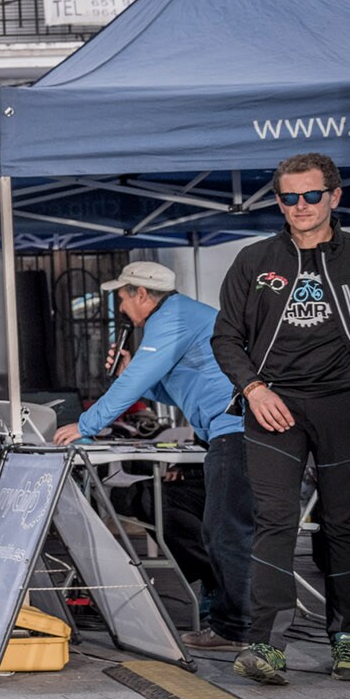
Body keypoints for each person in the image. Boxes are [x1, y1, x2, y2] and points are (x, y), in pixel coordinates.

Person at [210, 152, 350, 684]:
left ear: (334, 196)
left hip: (346, 404)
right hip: (274, 408)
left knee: (341, 523)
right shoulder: (254, 259)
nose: (301, 207)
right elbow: (226, 337)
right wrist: (252, 387)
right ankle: (266, 643)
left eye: (312, 195)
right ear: (278, 201)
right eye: (289, 198)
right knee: (274, 522)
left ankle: (348, 637)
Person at [53, 261, 255, 650]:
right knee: (181, 513)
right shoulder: (179, 317)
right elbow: (170, 390)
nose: (122, 309)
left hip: (235, 431)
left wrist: (87, 424)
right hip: (217, 434)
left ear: (142, 294)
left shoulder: (172, 319)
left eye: (123, 298)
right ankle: (223, 609)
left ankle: (236, 628)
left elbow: (131, 386)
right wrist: (139, 371)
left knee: (223, 531)